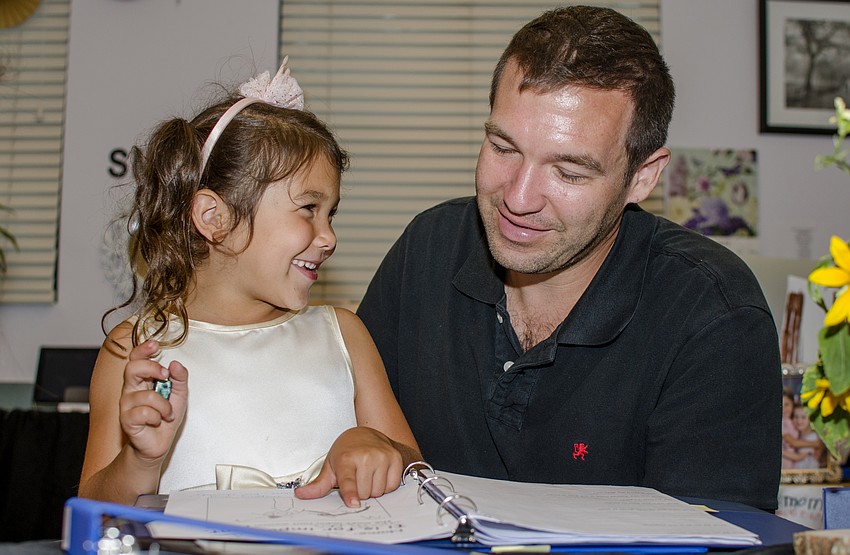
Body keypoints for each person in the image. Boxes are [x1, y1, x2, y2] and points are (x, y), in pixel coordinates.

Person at [356, 6, 781, 511]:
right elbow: (344, 436)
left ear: (643, 176)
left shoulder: (713, 314)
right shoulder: (427, 248)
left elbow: (714, 540)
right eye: (503, 147)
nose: (519, 197)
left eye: (570, 172)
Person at [79, 59, 420, 508]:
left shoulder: (343, 334)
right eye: (308, 209)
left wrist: (372, 443)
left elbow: (416, 468)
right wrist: (141, 462)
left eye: (331, 213)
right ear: (214, 218)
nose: (329, 237)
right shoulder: (138, 351)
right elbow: (94, 511)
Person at [782, 388, 800, 469]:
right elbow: (793, 442)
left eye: (787, 404)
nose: (783, 409)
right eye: (780, 405)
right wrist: (814, 444)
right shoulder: (781, 423)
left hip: (796, 462)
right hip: (785, 461)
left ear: (793, 404)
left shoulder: (796, 420)